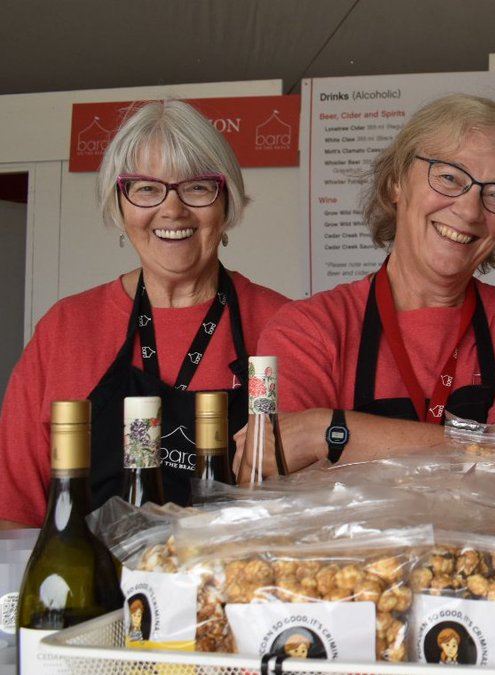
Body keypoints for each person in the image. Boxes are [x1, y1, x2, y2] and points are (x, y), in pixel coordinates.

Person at [237, 94, 495, 478]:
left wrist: (328, 432)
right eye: (449, 177)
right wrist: (482, 451)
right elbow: (273, 469)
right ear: (396, 181)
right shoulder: (302, 328)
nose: (469, 210)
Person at [0, 100, 290, 527]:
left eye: (197, 187)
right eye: (146, 188)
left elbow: (315, 504)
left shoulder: (283, 326)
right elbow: (15, 514)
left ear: (226, 203)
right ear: (119, 205)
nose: (172, 210)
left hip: (235, 590)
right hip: (95, 591)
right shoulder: (65, 329)